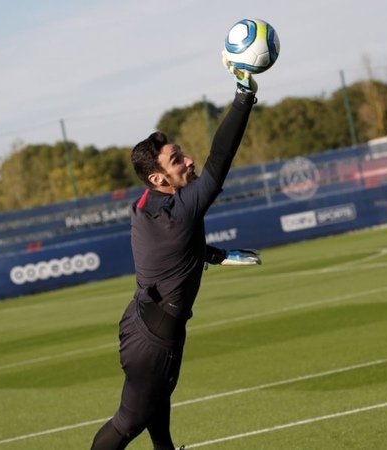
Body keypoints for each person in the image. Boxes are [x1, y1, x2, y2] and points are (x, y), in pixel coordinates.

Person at [90, 54, 261, 450]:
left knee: (156, 404)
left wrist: (215, 255)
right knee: (127, 423)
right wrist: (242, 97)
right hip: (153, 341)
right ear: (156, 177)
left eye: (183, 153)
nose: (189, 161)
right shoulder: (180, 211)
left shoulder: (148, 203)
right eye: (177, 160)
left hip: (145, 322)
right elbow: (221, 159)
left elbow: (178, 249)